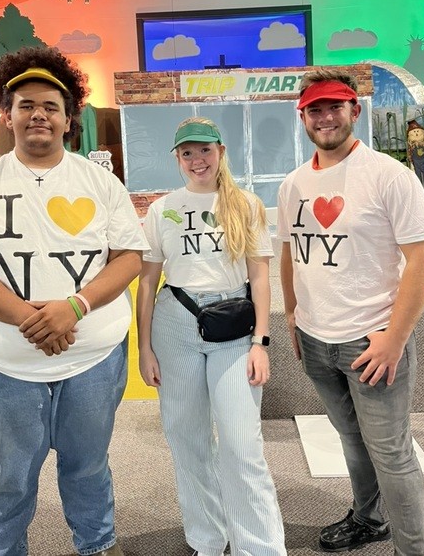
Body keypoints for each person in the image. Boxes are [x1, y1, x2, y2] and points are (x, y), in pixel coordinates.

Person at [0, 45, 149, 556]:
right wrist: (33, 318)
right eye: (26, 105)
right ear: (7, 116)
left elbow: (129, 257)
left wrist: (74, 308)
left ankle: (97, 546)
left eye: (50, 106)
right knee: (8, 476)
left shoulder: (100, 182)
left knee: (88, 466)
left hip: (91, 362)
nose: (38, 114)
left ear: (68, 119)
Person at [277, 68, 424, 555]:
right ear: (302, 117)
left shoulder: (389, 176)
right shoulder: (294, 184)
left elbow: (422, 258)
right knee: (351, 440)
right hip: (316, 341)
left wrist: (394, 338)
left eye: (335, 107)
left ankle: (414, 550)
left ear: (354, 110)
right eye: (315, 109)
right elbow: (289, 251)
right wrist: (292, 316)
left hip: (371, 341)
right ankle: (369, 519)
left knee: (392, 454)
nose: (325, 117)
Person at [136, 117, 286, 556]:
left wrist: (261, 342)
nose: (196, 159)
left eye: (204, 150)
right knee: (187, 438)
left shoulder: (245, 204)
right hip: (175, 323)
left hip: (233, 326)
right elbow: (148, 281)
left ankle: (260, 548)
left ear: (220, 151)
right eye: (187, 152)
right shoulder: (162, 208)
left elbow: (260, 277)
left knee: (241, 445)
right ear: (177, 159)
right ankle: (207, 538)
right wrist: (143, 347)